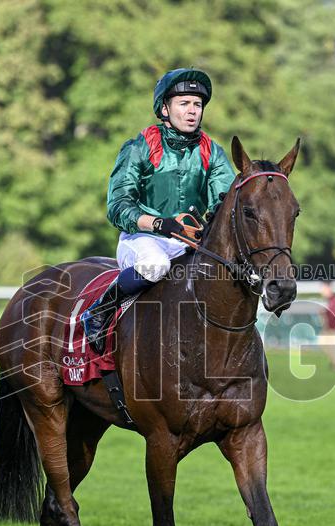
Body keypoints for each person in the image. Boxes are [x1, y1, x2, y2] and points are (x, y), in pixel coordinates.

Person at [80, 68, 237, 354]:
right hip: (142, 240)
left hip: (189, 242)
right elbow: (118, 207)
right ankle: (99, 311)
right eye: (184, 103)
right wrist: (158, 224)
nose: (192, 111)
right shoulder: (139, 147)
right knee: (157, 265)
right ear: (164, 108)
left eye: (197, 105)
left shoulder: (212, 152)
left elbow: (223, 203)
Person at [317, 282, 335, 370]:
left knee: (332, 347)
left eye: (323, 289)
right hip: (331, 328)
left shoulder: (334, 301)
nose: (322, 292)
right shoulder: (333, 300)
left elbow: (333, 315)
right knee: (327, 345)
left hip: (332, 328)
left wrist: (324, 313)